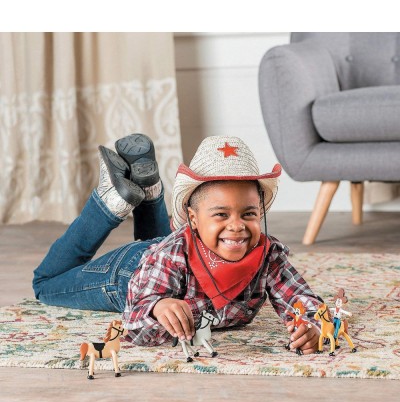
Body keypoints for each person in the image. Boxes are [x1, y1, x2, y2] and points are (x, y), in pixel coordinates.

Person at [33, 133, 324, 355]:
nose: (237, 225)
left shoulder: (268, 255)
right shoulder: (171, 255)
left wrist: (312, 325)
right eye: (221, 214)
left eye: (248, 214)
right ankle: (110, 203)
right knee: (45, 284)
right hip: (129, 273)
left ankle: (148, 188)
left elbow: (302, 301)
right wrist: (157, 306)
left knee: (164, 245)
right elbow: (134, 322)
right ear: (193, 219)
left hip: (167, 254)